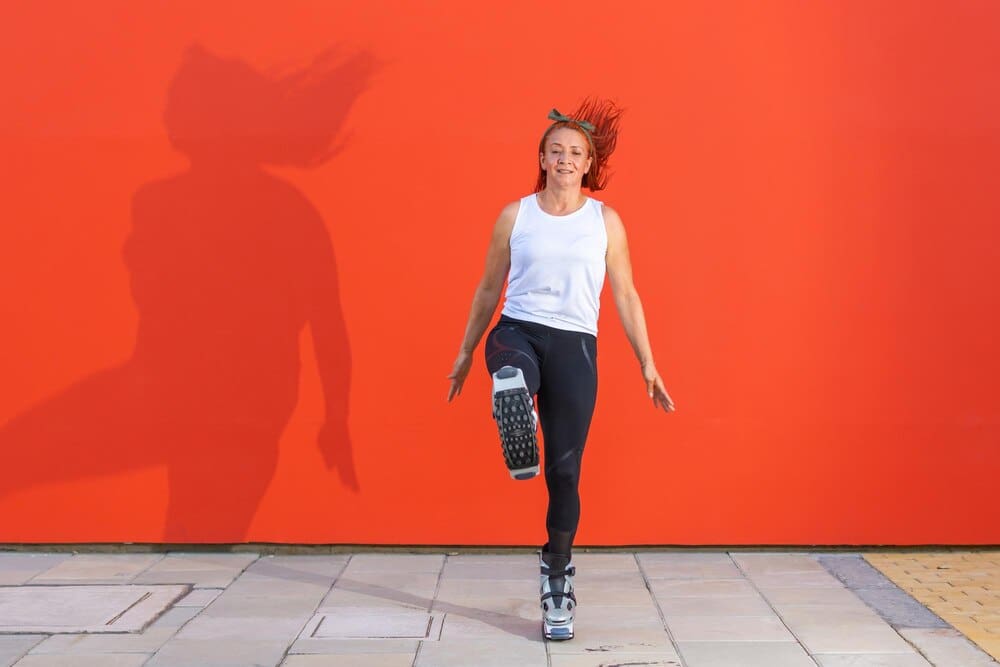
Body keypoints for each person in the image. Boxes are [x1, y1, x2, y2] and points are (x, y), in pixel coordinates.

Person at [447, 99, 675, 640]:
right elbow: (486, 290)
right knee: (511, 368)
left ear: (589, 163)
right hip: (517, 331)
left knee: (565, 473)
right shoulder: (515, 215)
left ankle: (557, 578)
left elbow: (625, 293)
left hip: (576, 347)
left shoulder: (605, 221)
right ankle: (515, 398)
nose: (566, 160)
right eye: (556, 152)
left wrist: (648, 362)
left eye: (576, 153)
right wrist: (463, 353)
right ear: (542, 159)